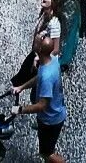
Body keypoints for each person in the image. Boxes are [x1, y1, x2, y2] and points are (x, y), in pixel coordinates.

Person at [15, 33, 67, 161]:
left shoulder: (46, 78)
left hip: (50, 120)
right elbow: (38, 77)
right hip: (57, 113)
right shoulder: (53, 61)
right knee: (47, 149)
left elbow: (42, 105)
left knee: (46, 153)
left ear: (39, 50)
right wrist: (21, 87)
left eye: (37, 43)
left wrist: (20, 110)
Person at [12, 0, 62, 90]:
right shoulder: (44, 15)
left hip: (42, 61)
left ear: (54, 3)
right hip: (35, 55)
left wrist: (39, 58)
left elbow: (56, 49)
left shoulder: (54, 23)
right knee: (18, 81)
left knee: (34, 90)